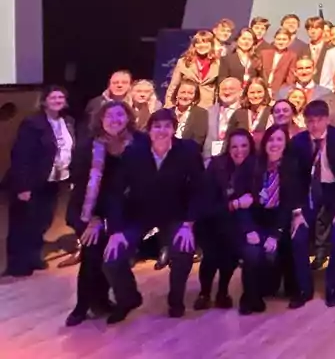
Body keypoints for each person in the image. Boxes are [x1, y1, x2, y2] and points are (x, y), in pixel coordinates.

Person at [103, 108, 205, 320]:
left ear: (174, 130)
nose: (162, 131)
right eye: (157, 126)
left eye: (167, 126)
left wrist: (188, 224)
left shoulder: (188, 151)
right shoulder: (133, 152)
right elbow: (115, 193)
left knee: (183, 251)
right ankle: (128, 298)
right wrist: (115, 230)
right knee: (112, 258)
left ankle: (175, 300)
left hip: (175, 214)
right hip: (139, 213)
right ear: (148, 130)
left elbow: (199, 189)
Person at [283, 98, 335, 308]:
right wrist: (297, 211)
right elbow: (292, 178)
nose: (314, 125)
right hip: (309, 193)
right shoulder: (298, 142)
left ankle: (332, 287)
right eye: (310, 121)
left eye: (318, 120)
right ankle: (304, 288)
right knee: (298, 236)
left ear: (327, 119)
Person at [65, 100, 130, 326]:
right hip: (87, 210)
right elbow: (83, 187)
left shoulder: (135, 144)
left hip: (116, 211)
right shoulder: (89, 146)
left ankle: (101, 301)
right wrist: (93, 218)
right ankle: (81, 307)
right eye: (109, 116)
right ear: (100, 120)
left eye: (120, 115)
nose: (115, 120)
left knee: (109, 258)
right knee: (92, 257)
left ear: (128, 118)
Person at [5, 87, 75, 277]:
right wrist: (23, 186)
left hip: (52, 181)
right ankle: (18, 265)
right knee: (23, 224)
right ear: (44, 101)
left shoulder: (67, 122)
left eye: (61, 97)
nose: (57, 100)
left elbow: (68, 150)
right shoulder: (32, 123)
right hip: (31, 182)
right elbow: (21, 155)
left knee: (42, 222)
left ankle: (34, 257)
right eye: (53, 97)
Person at [195, 128, 255, 310]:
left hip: (237, 224)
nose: (239, 151)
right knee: (211, 256)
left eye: (244, 146)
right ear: (228, 148)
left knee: (229, 257)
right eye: (234, 146)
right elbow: (205, 204)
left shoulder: (256, 167)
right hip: (210, 222)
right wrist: (234, 204)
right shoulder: (216, 166)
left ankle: (223, 291)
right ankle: (204, 293)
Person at [235, 124, 291, 314]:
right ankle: (250, 298)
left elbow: (287, 206)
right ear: (265, 143)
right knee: (251, 253)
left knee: (270, 261)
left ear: (285, 144)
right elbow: (241, 201)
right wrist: (248, 229)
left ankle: (261, 290)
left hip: (276, 223)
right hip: (253, 220)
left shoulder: (290, 168)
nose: (274, 144)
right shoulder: (251, 166)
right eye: (271, 139)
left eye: (280, 140)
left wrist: (276, 234)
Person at [166, 31, 221, 108]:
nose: (202, 45)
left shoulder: (217, 63)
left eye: (205, 42)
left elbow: (218, 90)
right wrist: (168, 106)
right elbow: (173, 86)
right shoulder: (183, 62)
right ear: (194, 45)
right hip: (186, 105)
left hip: (207, 106)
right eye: (198, 43)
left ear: (211, 45)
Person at [204, 76, 243, 160]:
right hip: (210, 160)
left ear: (240, 91)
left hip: (235, 159)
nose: (227, 92)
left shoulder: (245, 112)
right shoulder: (208, 111)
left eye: (231, 89)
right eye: (223, 89)